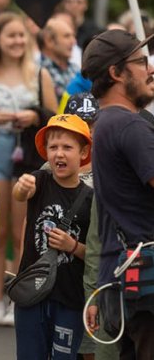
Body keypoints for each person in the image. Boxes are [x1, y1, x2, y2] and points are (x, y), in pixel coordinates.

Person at [0, 12, 57, 326]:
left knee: (23, 231)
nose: (17, 41)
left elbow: (52, 117)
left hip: (28, 157)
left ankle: (17, 299)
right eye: (11, 36)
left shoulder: (39, 74)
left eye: (22, 35)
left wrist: (32, 117)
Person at [81, 29, 154, 358]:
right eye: (141, 62)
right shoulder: (129, 126)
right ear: (116, 72)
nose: (149, 69)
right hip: (143, 278)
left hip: (123, 275)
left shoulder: (107, 122)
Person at [12, 114, 93, 359]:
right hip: (31, 294)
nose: (59, 153)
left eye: (67, 147)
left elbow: (95, 252)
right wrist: (22, 186)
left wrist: (72, 246)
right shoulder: (41, 179)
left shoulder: (91, 199)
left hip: (69, 297)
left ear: (83, 152)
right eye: (53, 147)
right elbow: (20, 194)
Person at [39, 17, 79, 102]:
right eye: (67, 36)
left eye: (73, 36)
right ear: (49, 41)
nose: (73, 41)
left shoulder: (76, 69)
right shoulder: (35, 69)